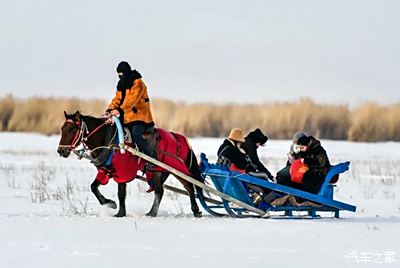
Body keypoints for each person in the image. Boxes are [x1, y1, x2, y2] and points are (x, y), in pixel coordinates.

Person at [106, 61, 155, 156]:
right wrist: (110, 109)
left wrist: (119, 110)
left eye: (121, 73)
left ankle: (151, 155)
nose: (120, 76)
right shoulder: (121, 84)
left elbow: (132, 100)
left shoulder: (137, 82)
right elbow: (117, 99)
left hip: (140, 117)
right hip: (126, 116)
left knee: (136, 134)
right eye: (118, 74)